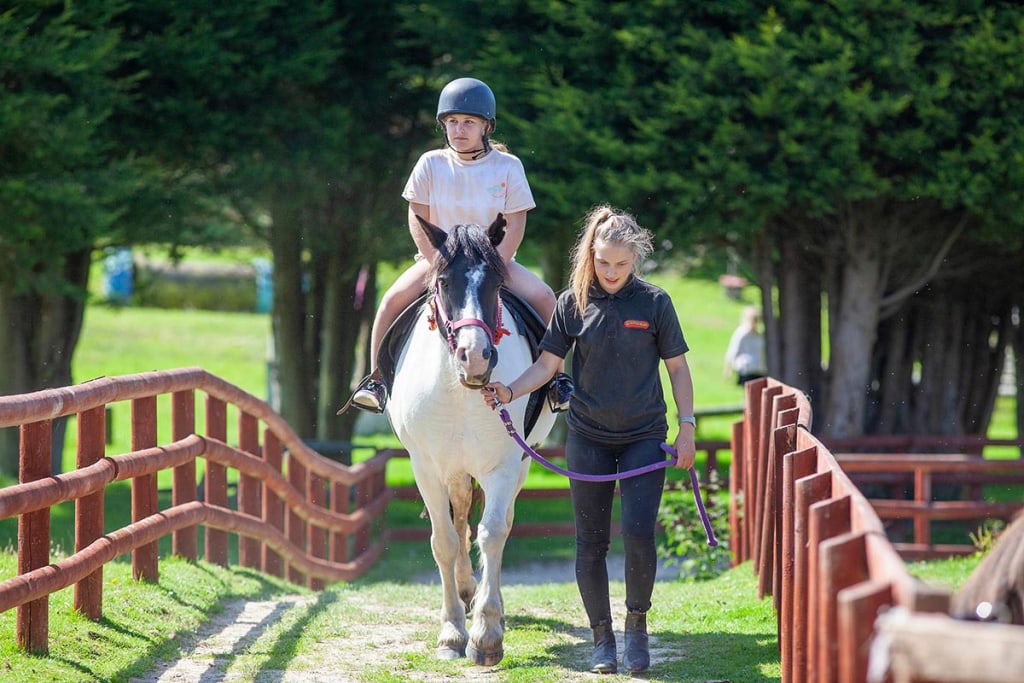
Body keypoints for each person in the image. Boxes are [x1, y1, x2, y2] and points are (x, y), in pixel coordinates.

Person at [481, 205, 696, 674]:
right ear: (591, 256)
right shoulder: (571, 302)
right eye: (603, 263)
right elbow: (546, 366)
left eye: (621, 264)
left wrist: (688, 427)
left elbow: (677, 368)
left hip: (645, 437)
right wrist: (509, 389)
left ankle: (636, 628)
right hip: (589, 437)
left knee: (639, 536)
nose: (612, 272)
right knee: (590, 542)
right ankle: (602, 638)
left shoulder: (655, 303)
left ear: (635, 257)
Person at [343, 77, 572, 414]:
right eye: (451, 122)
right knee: (391, 300)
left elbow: (516, 222)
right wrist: (439, 261)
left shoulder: (508, 167)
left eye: (468, 122)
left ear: (487, 127)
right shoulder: (430, 164)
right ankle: (377, 380)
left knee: (545, 298)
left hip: (493, 262)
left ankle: (557, 381)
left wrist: (493, 265)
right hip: (441, 260)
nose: (459, 129)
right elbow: (416, 215)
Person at [723, 305, 767, 385]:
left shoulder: (759, 335)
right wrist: (728, 369)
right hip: (746, 369)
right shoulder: (742, 333)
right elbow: (733, 351)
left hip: (759, 370)